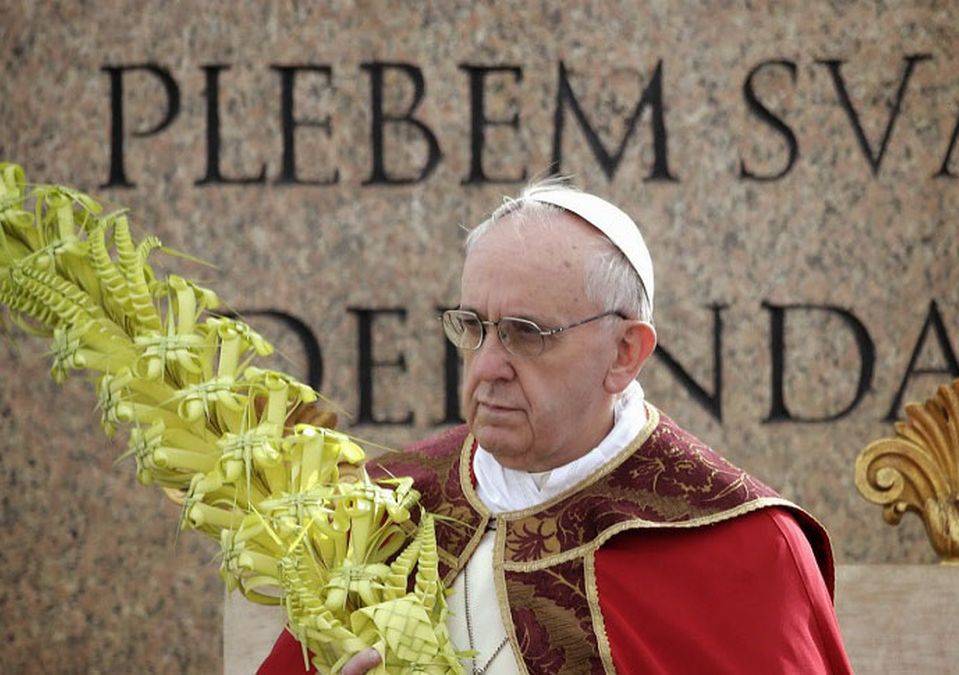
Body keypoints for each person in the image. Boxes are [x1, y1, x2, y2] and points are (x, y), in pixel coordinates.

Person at [260, 180, 852, 674]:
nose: (487, 366)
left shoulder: (743, 549)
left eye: (526, 333)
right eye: (473, 326)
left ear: (624, 352)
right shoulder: (383, 509)